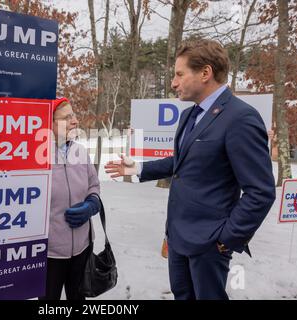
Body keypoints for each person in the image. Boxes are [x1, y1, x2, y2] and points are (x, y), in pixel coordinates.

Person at [105, 39, 276, 300]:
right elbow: (183, 162)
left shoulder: (241, 118)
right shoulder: (189, 115)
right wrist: (137, 168)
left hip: (209, 244)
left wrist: (225, 240)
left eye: (179, 74)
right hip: (177, 237)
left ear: (205, 73)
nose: (173, 82)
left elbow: (261, 192)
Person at [39, 97, 101, 300]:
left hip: (82, 249)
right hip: (49, 254)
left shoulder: (80, 152)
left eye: (73, 115)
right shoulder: (34, 157)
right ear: (50, 124)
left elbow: (93, 185)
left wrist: (92, 204)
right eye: (67, 117)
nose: (75, 121)